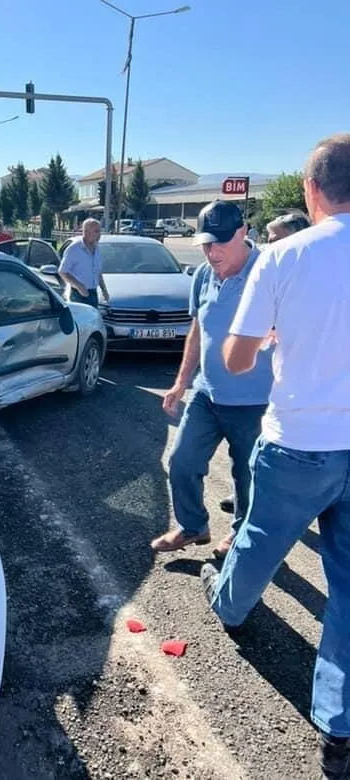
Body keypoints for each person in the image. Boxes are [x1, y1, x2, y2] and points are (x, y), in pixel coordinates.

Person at [200, 133, 350, 780]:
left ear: (311, 190)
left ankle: (229, 607)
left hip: (298, 442)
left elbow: (237, 358)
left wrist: (271, 338)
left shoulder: (285, 256)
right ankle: (338, 729)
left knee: (260, 540)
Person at [150, 201, 273, 559]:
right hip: (207, 393)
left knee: (247, 477)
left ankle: (240, 536)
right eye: (206, 243)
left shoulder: (268, 273)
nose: (213, 252)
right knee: (182, 462)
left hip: (256, 401)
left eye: (221, 242)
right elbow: (198, 329)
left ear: (243, 232)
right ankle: (193, 526)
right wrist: (181, 381)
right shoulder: (204, 274)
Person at [219, 210, 311, 516]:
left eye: (275, 240)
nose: (268, 246)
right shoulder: (280, 271)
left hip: (290, 389)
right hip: (270, 384)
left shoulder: (295, 276)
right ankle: (247, 495)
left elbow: (237, 356)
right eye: (268, 240)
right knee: (253, 447)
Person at [58, 218, 110, 308]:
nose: (100, 235)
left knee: (93, 316)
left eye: (99, 231)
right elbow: (62, 272)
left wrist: (104, 290)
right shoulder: (74, 249)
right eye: (96, 231)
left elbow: (98, 272)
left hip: (93, 293)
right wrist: (79, 286)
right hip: (78, 294)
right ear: (86, 232)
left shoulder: (97, 248)